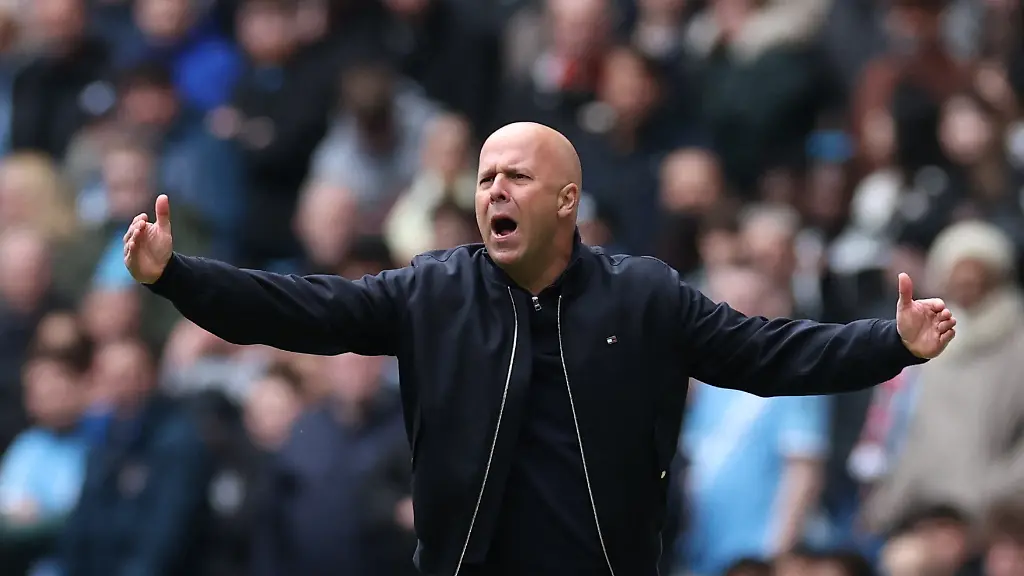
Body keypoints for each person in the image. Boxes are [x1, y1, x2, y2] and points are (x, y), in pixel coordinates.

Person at [122, 122, 956, 576]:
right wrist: (176, 277)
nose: (494, 192)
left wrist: (895, 344)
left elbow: (768, 355)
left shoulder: (645, 295)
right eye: (485, 178)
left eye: (514, 178)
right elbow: (300, 310)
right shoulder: (432, 291)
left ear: (567, 199)